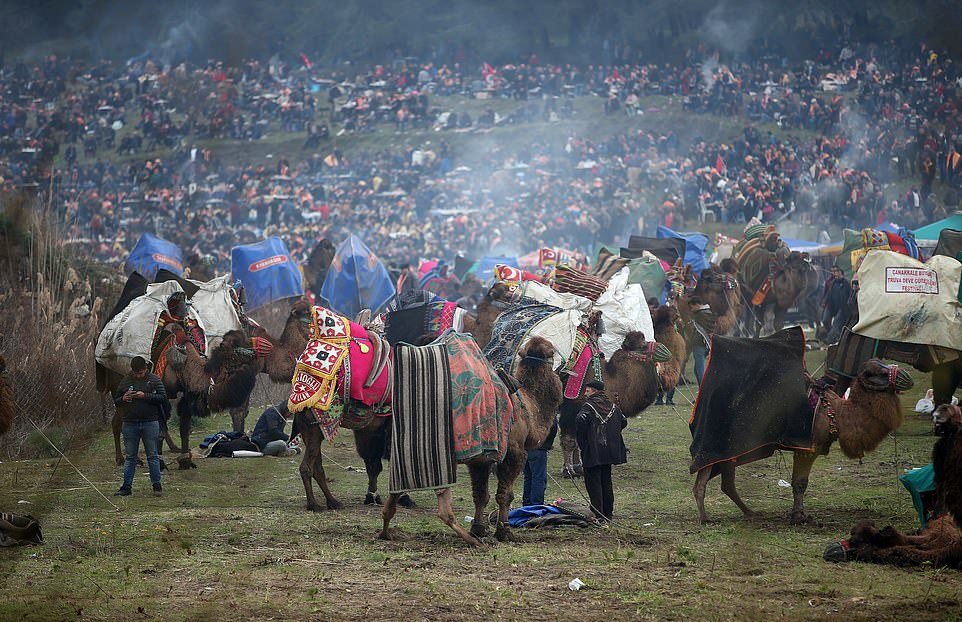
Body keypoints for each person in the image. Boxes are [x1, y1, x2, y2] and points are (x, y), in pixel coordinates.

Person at [114, 356, 167, 497]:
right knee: (130, 456)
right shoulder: (126, 380)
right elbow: (116, 401)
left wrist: (145, 396)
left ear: (146, 368)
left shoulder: (154, 380)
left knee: (152, 456)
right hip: (130, 423)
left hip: (150, 422)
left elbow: (162, 398)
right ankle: (126, 487)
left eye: (141, 373)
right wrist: (123, 398)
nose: (138, 376)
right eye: (136, 373)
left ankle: (157, 486)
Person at [575, 380, 627, 522]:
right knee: (606, 481)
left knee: (594, 483)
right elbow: (623, 422)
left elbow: (580, 421)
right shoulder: (613, 406)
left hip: (593, 451)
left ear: (594, 391)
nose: (585, 393)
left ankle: (598, 514)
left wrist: (583, 444)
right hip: (609, 452)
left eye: (587, 390)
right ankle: (608, 513)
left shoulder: (588, 407)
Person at [522, 417, 557, 506]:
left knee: (528, 477)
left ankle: (527, 503)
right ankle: (536, 504)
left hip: (526, 448)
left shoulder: (529, 413)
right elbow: (553, 428)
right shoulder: (546, 414)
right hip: (539, 449)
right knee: (539, 478)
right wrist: (547, 445)